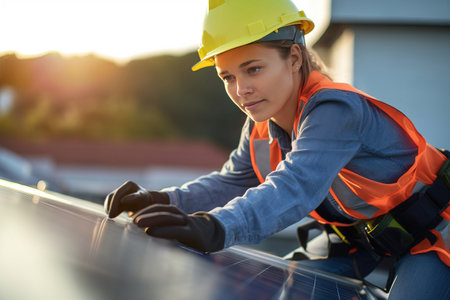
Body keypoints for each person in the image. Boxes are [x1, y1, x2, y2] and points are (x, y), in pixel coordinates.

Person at [104, 0, 450, 298]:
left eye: (253, 69)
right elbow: (229, 182)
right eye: (228, 77)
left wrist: (213, 228)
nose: (241, 90)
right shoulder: (259, 127)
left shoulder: (336, 110)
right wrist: (161, 200)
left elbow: (294, 187)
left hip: (434, 236)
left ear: (295, 57)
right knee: (288, 289)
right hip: (363, 240)